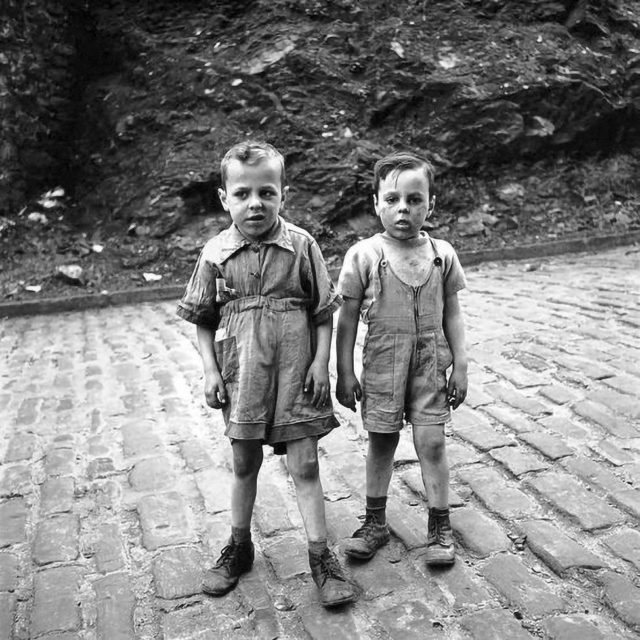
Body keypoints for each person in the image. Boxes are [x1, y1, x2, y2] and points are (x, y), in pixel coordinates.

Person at [177, 141, 355, 607]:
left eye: (266, 192)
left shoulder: (301, 246)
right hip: (244, 375)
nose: (255, 203)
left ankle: (321, 556)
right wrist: (210, 371)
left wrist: (321, 363)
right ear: (224, 198)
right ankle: (239, 546)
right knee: (243, 462)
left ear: (282, 194)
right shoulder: (215, 253)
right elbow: (202, 318)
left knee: (306, 464)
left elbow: (323, 311)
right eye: (242, 194)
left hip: (298, 371)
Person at [335, 151, 468, 567]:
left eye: (414, 199)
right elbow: (348, 317)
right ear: (376, 203)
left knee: (431, 441)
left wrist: (460, 365)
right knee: (381, 440)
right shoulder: (363, 255)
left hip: (430, 364)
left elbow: (453, 312)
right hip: (382, 364)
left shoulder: (442, 254)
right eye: (391, 199)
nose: (403, 209)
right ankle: (374, 522)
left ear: (431, 204)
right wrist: (343, 370)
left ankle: (440, 526)